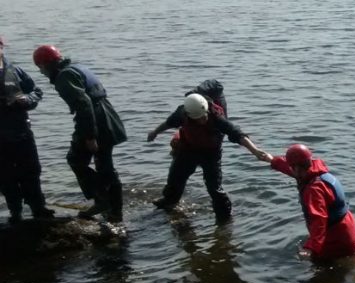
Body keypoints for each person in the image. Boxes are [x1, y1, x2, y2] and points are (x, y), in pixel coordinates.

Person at [33, 45, 126, 222]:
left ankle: (102, 200)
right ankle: (115, 212)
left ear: (44, 65)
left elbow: (84, 105)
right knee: (105, 165)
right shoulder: (77, 67)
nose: (41, 72)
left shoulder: (64, 77)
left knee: (76, 160)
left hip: (96, 119)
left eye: (40, 68)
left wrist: (90, 136)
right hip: (108, 116)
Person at [146, 92, 271, 223]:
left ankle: (225, 218)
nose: (203, 119)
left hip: (211, 153)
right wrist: (155, 132)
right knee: (175, 177)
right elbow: (168, 123)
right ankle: (169, 202)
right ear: (189, 115)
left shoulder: (216, 117)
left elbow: (237, 134)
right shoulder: (182, 113)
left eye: (204, 115)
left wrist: (255, 150)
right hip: (188, 149)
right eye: (199, 118)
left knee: (214, 187)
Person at [266, 144, 355, 261]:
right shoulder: (317, 171)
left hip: (334, 236)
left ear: (296, 168)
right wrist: (270, 159)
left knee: (325, 268)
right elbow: (288, 167)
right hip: (347, 227)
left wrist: (310, 248)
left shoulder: (314, 189)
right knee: (351, 260)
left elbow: (319, 220)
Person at [1, 36, 54, 223]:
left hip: (21, 130)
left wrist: (27, 100)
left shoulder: (15, 70)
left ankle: (38, 207)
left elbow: (36, 91)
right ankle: (15, 211)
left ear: (2, 47)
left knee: (32, 170)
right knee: (5, 176)